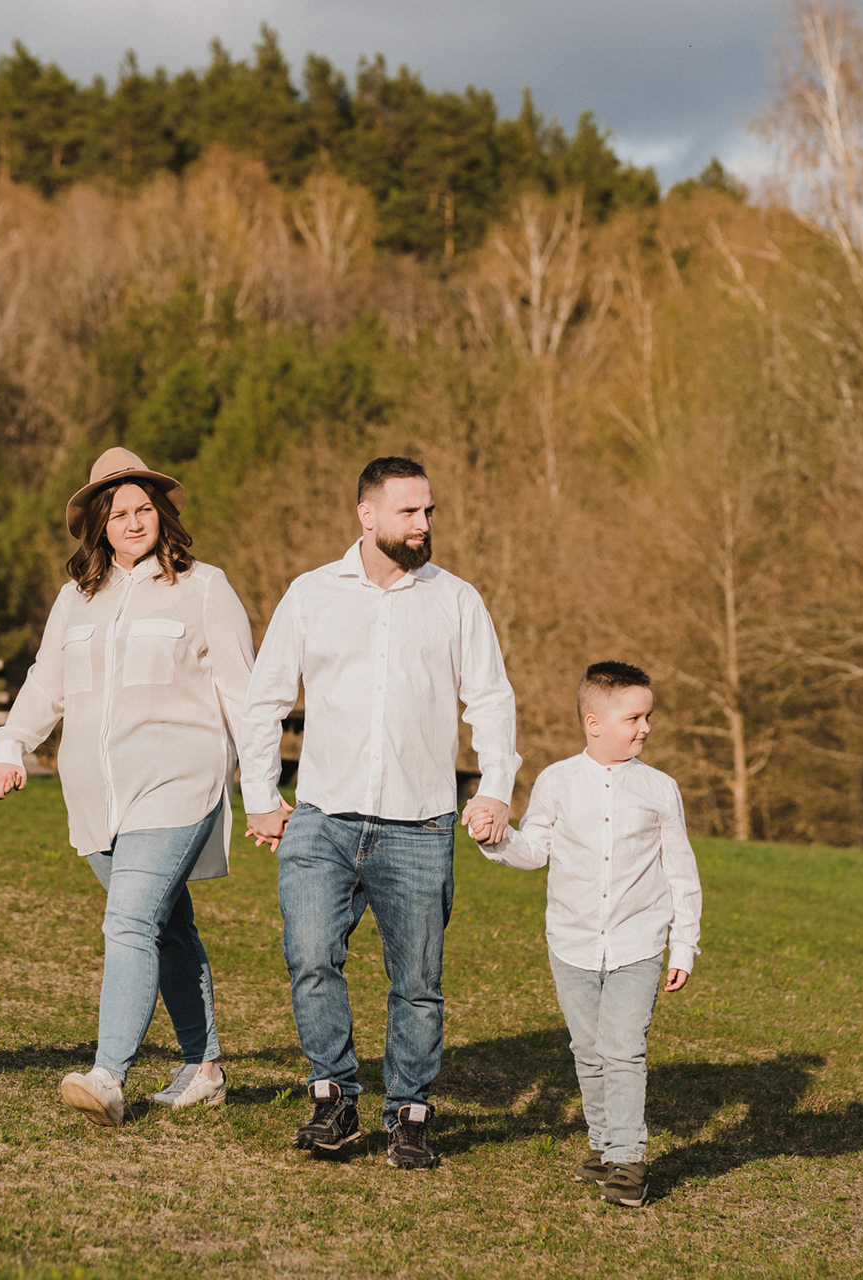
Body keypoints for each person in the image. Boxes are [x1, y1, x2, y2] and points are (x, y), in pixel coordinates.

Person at [240, 455, 521, 1170]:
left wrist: (494, 786)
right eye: (408, 511)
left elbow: (491, 700)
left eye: (429, 511)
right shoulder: (311, 594)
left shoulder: (456, 600)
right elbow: (265, 700)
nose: (423, 524)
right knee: (310, 958)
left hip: (420, 825)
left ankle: (410, 1113)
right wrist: (261, 797)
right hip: (322, 820)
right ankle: (332, 1097)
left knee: (418, 985)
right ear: (367, 515)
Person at [0, 446, 255, 1126]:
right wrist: (9, 745)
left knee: (129, 920)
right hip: (96, 796)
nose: (134, 522)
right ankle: (204, 1067)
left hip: (178, 780)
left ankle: (107, 1075)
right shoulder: (76, 599)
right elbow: (46, 683)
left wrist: (265, 789)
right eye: (119, 512)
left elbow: (244, 696)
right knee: (167, 925)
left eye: (144, 509)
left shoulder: (205, 587)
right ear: (99, 524)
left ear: (162, 513)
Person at [473, 661, 702, 1208]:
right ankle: (602, 1145)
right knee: (589, 1051)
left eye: (648, 716)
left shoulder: (660, 788)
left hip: (637, 944)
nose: (646, 728)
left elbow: (681, 872)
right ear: (593, 722)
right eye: (634, 718)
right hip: (571, 945)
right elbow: (534, 850)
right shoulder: (556, 781)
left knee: (623, 1050)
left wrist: (684, 944)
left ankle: (628, 1160)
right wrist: (493, 839)